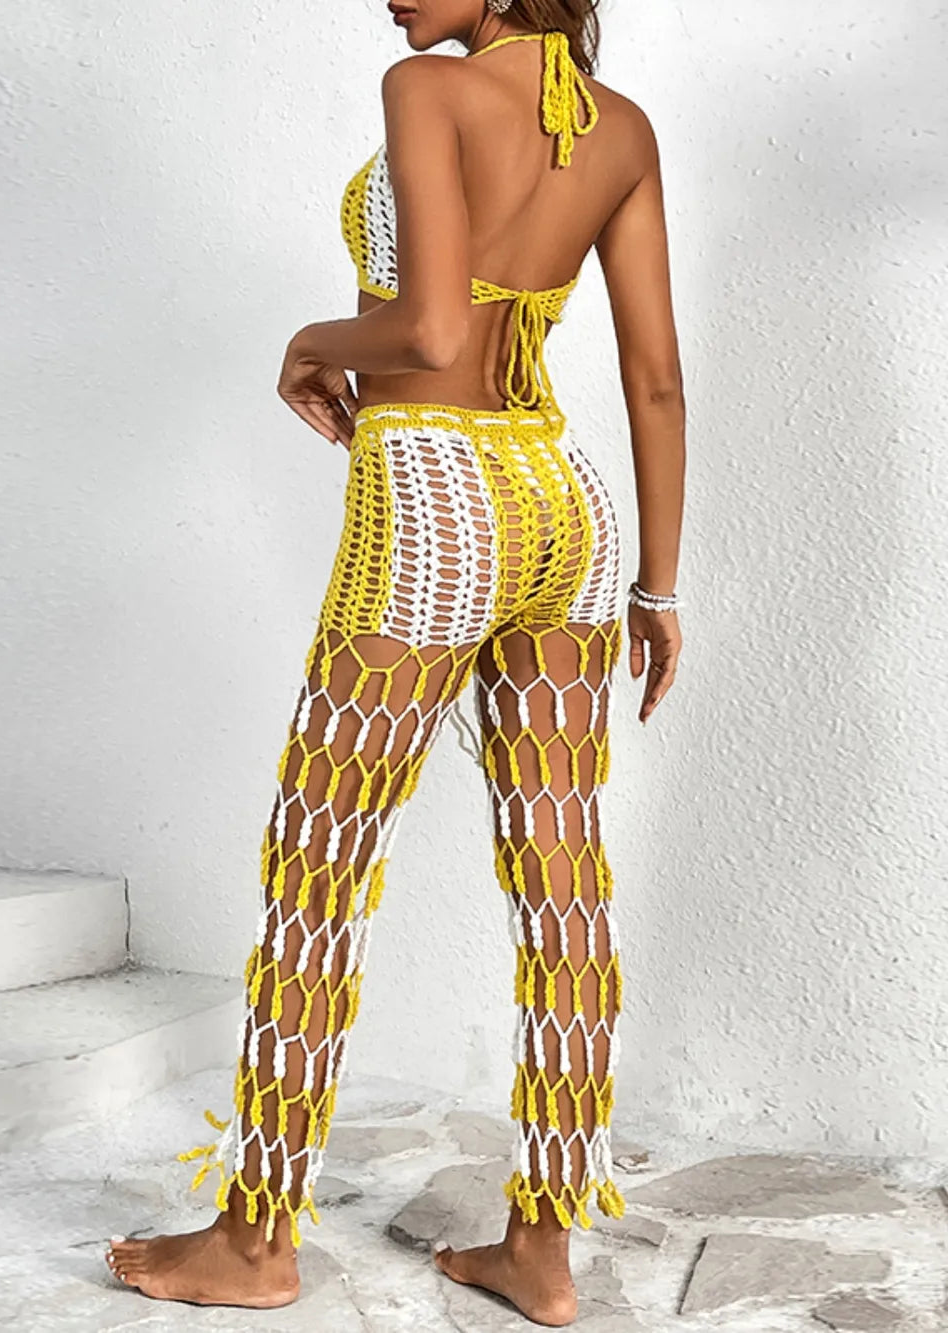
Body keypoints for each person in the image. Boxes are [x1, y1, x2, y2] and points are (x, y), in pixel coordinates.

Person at [107, 0, 685, 1325]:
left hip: (432, 501)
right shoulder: (623, 129)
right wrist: (658, 584)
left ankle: (255, 1239)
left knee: (320, 862)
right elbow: (656, 379)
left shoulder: (427, 92)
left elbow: (426, 332)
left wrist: (311, 344)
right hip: (565, 507)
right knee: (562, 874)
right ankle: (542, 1249)